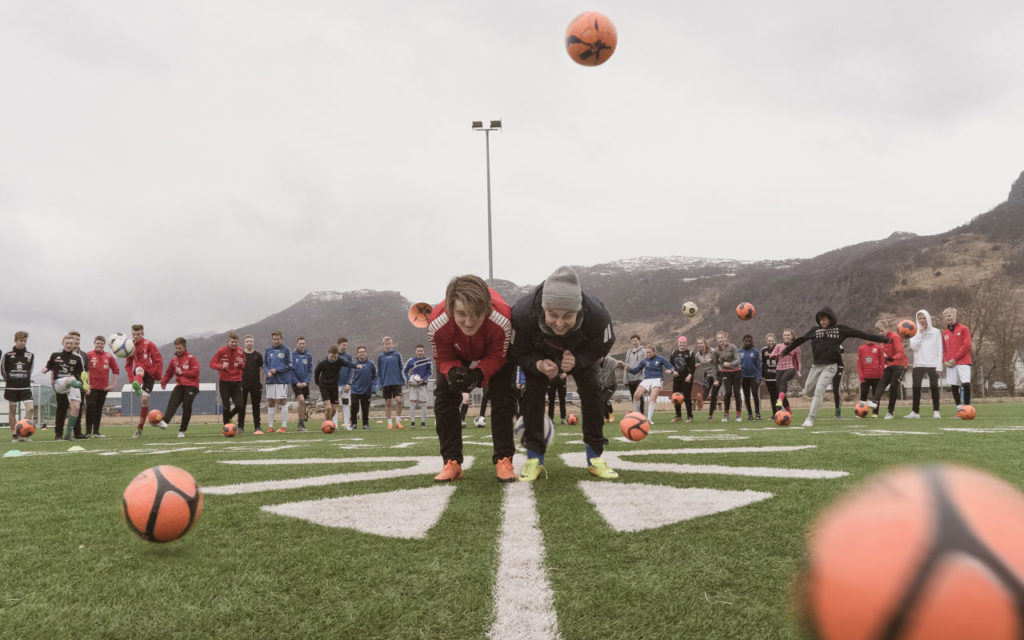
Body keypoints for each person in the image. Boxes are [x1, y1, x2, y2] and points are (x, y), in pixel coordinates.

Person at [510, 266, 617, 481]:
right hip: (539, 352)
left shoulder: (597, 315)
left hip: (580, 350)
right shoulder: (522, 314)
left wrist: (580, 360)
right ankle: (534, 458)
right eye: (552, 315)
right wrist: (537, 364)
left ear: (579, 311)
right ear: (542, 309)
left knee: (593, 390)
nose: (559, 323)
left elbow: (603, 346)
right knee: (533, 393)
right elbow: (515, 352)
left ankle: (595, 456)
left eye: (568, 316)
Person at [428, 274, 517, 482]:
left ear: (486, 308)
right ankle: (451, 461)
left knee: (504, 395)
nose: (468, 322)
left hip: (493, 352)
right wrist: (452, 371)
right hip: (457, 353)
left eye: (476, 314)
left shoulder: (502, 320)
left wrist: (479, 374)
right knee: (444, 396)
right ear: (449, 309)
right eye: (461, 314)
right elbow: (443, 358)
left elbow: (498, 356)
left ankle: (504, 458)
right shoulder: (436, 324)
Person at [781, 307, 889, 427]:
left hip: (831, 366)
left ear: (831, 319)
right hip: (816, 366)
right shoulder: (815, 330)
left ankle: (810, 418)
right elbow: (800, 340)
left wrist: (883, 339)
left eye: (824, 319)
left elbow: (860, 334)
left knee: (819, 390)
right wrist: (785, 351)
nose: (822, 322)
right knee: (808, 391)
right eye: (820, 320)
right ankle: (816, 400)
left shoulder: (839, 330)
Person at [41, 335, 89, 441]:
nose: (69, 345)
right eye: (67, 343)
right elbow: (49, 365)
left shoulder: (77, 357)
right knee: (61, 409)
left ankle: (68, 434)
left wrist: (85, 382)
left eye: (71, 343)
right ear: (62, 343)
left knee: (76, 408)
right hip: (60, 382)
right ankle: (58, 434)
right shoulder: (55, 355)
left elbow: (82, 373)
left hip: (73, 383)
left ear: (74, 345)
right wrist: (46, 369)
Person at [155, 337, 201, 437]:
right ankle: (164, 422)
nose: (177, 350)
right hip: (180, 385)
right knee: (172, 402)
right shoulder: (174, 360)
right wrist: (163, 382)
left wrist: (183, 372)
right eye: (176, 348)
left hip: (192, 386)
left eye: (180, 348)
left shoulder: (191, 358)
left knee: (186, 407)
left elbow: (196, 372)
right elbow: (168, 373)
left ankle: (182, 431)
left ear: (184, 347)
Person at [127, 324, 165, 438]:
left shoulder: (149, 344)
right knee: (139, 369)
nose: (136, 336)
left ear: (143, 333)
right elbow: (128, 364)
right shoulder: (130, 346)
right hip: (138, 371)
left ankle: (140, 428)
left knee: (144, 400)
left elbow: (158, 360)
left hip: (150, 374)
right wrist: (130, 378)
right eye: (134, 334)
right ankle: (137, 384)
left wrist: (156, 374)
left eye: (138, 334)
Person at [867, 319, 909, 419]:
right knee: (881, 383)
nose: (880, 333)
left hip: (901, 364)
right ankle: (874, 401)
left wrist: (892, 358)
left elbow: (901, 353)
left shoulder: (895, 337)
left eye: (881, 330)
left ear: (887, 328)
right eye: (878, 331)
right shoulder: (882, 341)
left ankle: (890, 412)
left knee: (893, 387)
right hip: (890, 365)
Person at [907, 309, 943, 419]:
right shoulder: (914, 331)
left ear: (928, 318)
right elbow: (914, 347)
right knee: (916, 387)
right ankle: (915, 412)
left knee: (934, 387)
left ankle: (936, 411)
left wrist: (939, 366)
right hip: (918, 364)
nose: (922, 320)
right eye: (920, 318)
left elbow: (940, 349)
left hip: (933, 364)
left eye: (924, 318)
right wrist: (920, 334)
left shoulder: (936, 332)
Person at [315, 345, 362, 426]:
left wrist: (356, 366)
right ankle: (328, 425)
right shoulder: (322, 362)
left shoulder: (339, 361)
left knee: (333, 409)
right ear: (328, 354)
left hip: (334, 387)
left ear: (337, 355)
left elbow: (348, 363)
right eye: (332, 356)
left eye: (335, 357)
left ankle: (327, 422)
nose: (333, 358)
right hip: (324, 386)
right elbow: (316, 373)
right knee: (328, 407)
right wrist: (318, 383)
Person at [627, 345, 674, 425]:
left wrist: (670, 371)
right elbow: (635, 371)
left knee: (653, 396)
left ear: (654, 352)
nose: (648, 354)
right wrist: (629, 369)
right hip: (647, 380)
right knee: (636, 395)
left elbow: (671, 367)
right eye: (647, 352)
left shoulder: (661, 358)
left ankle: (649, 419)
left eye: (649, 352)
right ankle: (636, 416)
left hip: (657, 379)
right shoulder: (644, 361)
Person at [85, 335, 119, 438]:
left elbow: (116, 370)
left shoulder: (109, 356)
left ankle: (96, 432)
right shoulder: (88, 355)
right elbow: (83, 369)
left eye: (101, 343)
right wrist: (86, 383)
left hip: (103, 388)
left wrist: (113, 384)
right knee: (90, 408)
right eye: (97, 343)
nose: (99, 345)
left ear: (104, 345)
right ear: (94, 344)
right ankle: (87, 432)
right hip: (91, 387)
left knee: (98, 409)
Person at [3, 331, 36, 438]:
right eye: (21, 341)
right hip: (11, 387)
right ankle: (15, 434)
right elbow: (3, 370)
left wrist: (24, 379)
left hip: (25, 387)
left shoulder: (30, 355)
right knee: (12, 410)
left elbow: (30, 371)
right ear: (16, 340)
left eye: (25, 341)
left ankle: (23, 431)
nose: (23, 343)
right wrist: (9, 380)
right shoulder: (8, 355)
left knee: (30, 408)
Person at [210, 333, 246, 429]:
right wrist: (221, 366)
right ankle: (226, 427)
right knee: (226, 406)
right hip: (224, 382)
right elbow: (212, 363)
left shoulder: (241, 351)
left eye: (235, 342)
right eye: (232, 342)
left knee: (240, 405)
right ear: (228, 342)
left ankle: (229, 417)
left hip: (237, 381)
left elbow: (243, 364)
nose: (234, 344)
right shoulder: (222, 351)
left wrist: (240, 364)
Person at [264, 330, 296, 433]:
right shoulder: (268, 350)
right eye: (274, 339)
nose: (276, 341)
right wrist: (267, 371)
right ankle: (270, 426)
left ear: (281, 339)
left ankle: (283, 426)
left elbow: (290, 365)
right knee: (271, 402)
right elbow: (264, 364)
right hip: (270, 380)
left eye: (278, 339)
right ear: (272, 339)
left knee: (282, 401)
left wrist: (276, 370)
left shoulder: (287, 350)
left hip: (282, 380)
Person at [942, 307, 973, 408]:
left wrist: (955, 358)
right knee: (954, 386)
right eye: (946, 316)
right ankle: (959, 409)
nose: (948, 317)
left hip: (963, 362)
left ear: (955, 315)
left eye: (949, 315)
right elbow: (944, 349)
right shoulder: (945, 333)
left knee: (966, 384)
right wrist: (945, 361)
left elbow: (966, 346)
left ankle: (967, 407)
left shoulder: (964, 328)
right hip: (950, 364)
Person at [770, 329, 801, 414]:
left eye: (788, 335)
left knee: (784, 380)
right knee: (780, 390)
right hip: (779, 369)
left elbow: (798, 361)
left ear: (792, 337)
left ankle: (779, 401)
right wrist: (778, 354)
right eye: (785, 335)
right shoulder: (778, 346)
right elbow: (771, 356)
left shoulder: (796, 347)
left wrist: (798, 371)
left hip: (790, 368)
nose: (786, 336)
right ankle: (789, 411)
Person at [714, 331, 742, 423]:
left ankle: (738, 415)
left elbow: (738, 360)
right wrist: (716, 378)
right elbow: (715, 364)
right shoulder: (716, 350)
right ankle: (726, 414)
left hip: (736, 371)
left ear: (726, 338)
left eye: (722, 337)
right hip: (725, 373)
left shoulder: (732, 347)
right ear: (717, 339)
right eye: (719, 338)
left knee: (737, 393)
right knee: (728, 392)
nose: (720, 339)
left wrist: (729, 364)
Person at [377, 337, 404, 429]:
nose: (388, 345)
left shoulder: (397, 355)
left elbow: (401, 368)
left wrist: (402, 379)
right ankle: (389, 423)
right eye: (386, 344)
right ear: (383, 345)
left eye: (389, 344)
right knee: (388, 403)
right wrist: (380, 383)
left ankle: (398, 422)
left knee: (399, 400)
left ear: (391, 344)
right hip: (386, 383)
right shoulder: (381, 357)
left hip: (396, 382)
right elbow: (379, 372)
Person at [403, 344, 433, 428]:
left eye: (421, 351)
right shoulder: (411, 360)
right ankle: (412, 422)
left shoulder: (428, 361)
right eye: (418, 351)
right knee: (412, 403)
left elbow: (430, 372)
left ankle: (423, 422)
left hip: (423, 385)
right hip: (413, 386)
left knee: (423, 403)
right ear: (415, 351)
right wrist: (407, 379)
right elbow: (404, 370)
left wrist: (423, 379)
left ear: (423, 351)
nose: (420, 352)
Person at [348, 346, 377, 430]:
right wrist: (349, 384)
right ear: (357, 354)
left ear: (366, 353)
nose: (362, 353)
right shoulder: (354, 364)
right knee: (354, 407)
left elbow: (375, 376)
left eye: (363, 351)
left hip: (367, 390)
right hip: (355, 390)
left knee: (365, 408)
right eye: (360, 352)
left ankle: (365, 424)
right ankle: (353, 424)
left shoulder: (371, 364)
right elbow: (350, 376)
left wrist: (373, 387)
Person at [68, 330, 90, 438]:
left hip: (80, 386)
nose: (76, 341)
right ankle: (59, 433)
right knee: (63, 409)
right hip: (66, 385)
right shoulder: (64, 354)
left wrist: (87, 385)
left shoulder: (84, 355)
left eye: (77, 339)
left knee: (79, 409)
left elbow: (86, 372)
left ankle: (77, 433)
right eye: (73, 339)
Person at [240, 335, 264, 433]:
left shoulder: (258, 355)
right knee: (241, 406)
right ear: (244, 343)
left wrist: (261, 383)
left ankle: (257, 426)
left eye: (250, 341)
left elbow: (261, 370)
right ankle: (240, 426)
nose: (249, 343)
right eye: (247, 341)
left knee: (256, 406)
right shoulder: (240, 355)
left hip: (255, 385)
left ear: (253, 342)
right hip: (242, 384)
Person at [669, 336, 695, 423]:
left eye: (684, 342)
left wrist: (690, 375)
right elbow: (671, 366)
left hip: (687, 378)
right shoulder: (674, 353)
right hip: (677, 378)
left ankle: (690, 416)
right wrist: (672, 371)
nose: (682, 344)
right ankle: (678, 415)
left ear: (686, 343)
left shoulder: (690, 353)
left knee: (687, 397)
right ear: (678, 343)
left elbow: (693, 366)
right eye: (681, 342)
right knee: (676, 397)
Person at [291, 336, 314, 431]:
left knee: (303, 402)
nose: (301, 345)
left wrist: (306, 381)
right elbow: (290, 370)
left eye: (303, 343)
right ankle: (300, 422)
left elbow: (310, 370)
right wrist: (296, 382)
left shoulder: (308, 356)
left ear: (305, 344)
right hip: (295, 382)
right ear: (297, 344)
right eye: (300, 343)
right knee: (301, 399)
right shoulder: (292, 355)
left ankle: (301, 423)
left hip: (305, 383)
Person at [693, 337, 719, 420]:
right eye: (698, 343)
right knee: (705, 390)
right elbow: (696, 363)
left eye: (701, 343)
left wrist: (712, 360)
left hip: (717, 374)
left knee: (714, 395)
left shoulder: (712, 352)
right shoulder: (697, 355)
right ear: (697, 345)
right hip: (707, 375)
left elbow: (719, 361)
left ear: (704, 344)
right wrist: (696, 365)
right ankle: (701, 402)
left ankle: (710, 415)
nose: (700, 345)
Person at [738, 334, 762, 420]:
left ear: (751, 342)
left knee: (755, 394)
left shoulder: (755, 351)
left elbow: (759, 366)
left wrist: (759, 377)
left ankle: (758, 413)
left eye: (749, 341)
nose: (748, 342)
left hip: (753, 377)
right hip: (743, 377)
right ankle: (750, 414)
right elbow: (737, 365)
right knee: (746, 396)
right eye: (746, 341)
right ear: (743, 342)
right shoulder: (739, 351)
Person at [856, 337, 885, 403]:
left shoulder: (879, 348)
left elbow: (882, 363)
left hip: (877, 378)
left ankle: (875, 413)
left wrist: (881, 376)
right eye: (868, 337)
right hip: (865, 377)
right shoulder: (861, 348)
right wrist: (861, 377)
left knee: (876, 397)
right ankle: (862, 412)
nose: (870, 339)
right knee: (863, 396)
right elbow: (859, 364)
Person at [623, 334, 646, 416]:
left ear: (639, 341)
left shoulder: (643, 351)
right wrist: (625, 379)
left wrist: (643, 377)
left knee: (639, 396)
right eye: (632, 341)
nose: (634, 342)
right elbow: (626, 365)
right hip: (630, 378)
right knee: (633, 397)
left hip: (640, 378)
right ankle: (636, 413)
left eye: (635, 340)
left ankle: (642, 414)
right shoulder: (628, 352)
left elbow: (645, 365)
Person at [597, 355, 623, 423]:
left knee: (604, 401)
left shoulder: (610, 360)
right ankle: (606, 418)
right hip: (602, 386)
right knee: (601, 402)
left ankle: (611, 414)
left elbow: (620, 365)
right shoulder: (596, 363)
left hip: (611, 385)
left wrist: (620, 364)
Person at [336, 337, 354, 427]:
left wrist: (349, 384)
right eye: (343, 345)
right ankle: (334, 425)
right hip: (335, 385)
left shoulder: (348, 357)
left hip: (345, 385)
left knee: (346, 404)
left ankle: (347, 424)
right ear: (338, 344)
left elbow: (352, 371)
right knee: (334, 405)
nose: (345, 347)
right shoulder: (333, 355)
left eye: (346, 345)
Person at [761, 333, 780, 417]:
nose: (770, 342)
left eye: (772, 340)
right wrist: (763, 375)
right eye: (769, 341)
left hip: (777, 376)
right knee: (772, 397)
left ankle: (780, 412)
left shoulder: (779, 348)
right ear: (766, 341)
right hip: (768, 376)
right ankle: (774, 413)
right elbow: (763, 364)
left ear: (774, 340)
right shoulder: (763, 350)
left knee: (778, 396)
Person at [831, 346, 845, 418]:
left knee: (837, 390)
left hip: (838, 368)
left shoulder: (838, 344)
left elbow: (841, 351)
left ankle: (838, 411)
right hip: (827, 368)